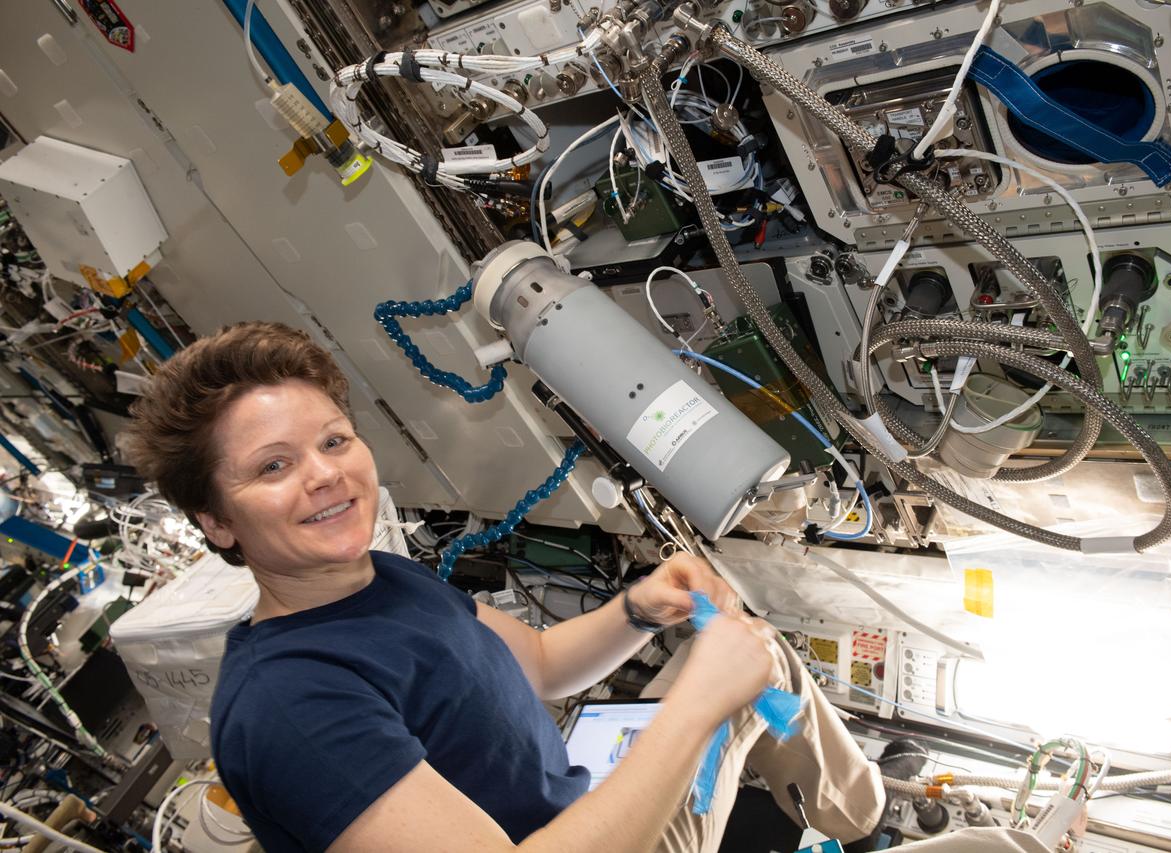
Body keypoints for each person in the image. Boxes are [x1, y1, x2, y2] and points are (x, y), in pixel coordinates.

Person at [122, 321, 1052, 853]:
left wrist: (638, 607)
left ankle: (869, 824)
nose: (325, 475)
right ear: (216, 521)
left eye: (332, 440)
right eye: (274, 466)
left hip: (576, 803)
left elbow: (531, 664)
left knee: (749, 652)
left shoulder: (379, 578)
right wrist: (691, 708)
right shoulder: (293, 703)